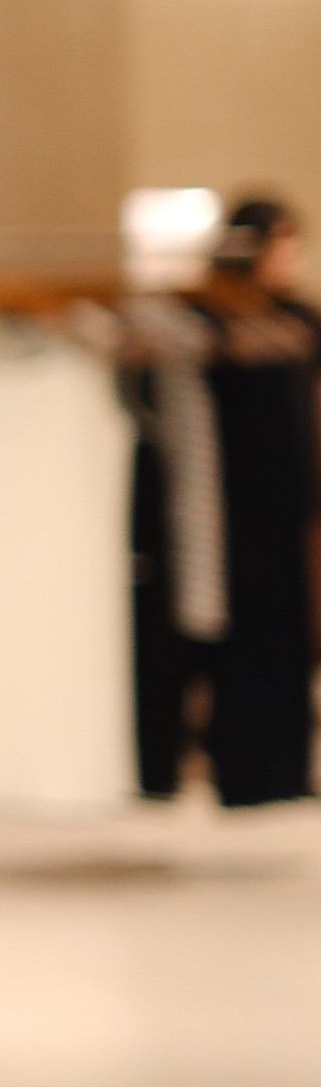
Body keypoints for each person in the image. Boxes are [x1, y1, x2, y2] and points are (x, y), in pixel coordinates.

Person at [126, 194, 320, 806]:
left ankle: (282, 769)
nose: (290, 257)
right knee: (237, 634)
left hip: (288, 504)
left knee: (286, 633)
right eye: (281, 243)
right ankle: (241, 768)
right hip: (229, 506)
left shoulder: (298, 319)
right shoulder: (199, 319)